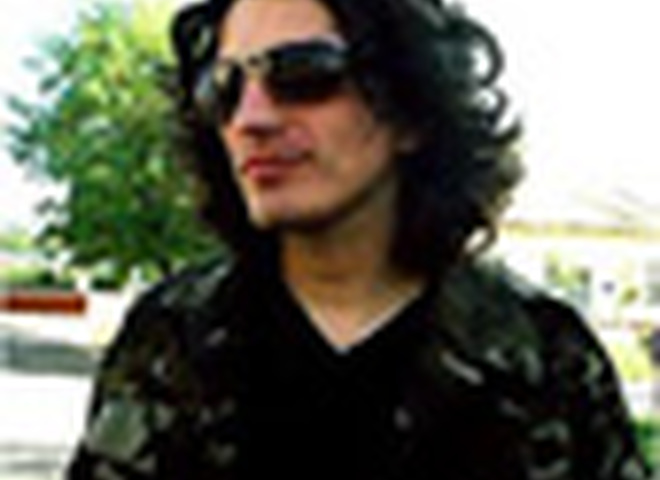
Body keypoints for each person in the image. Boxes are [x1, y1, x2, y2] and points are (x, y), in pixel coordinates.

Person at [67, 0, 652, 478]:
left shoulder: (545, 359)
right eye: (222, 88)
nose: (249, 118)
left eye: (303, 73)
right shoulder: (171, 341)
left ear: (412, 111)